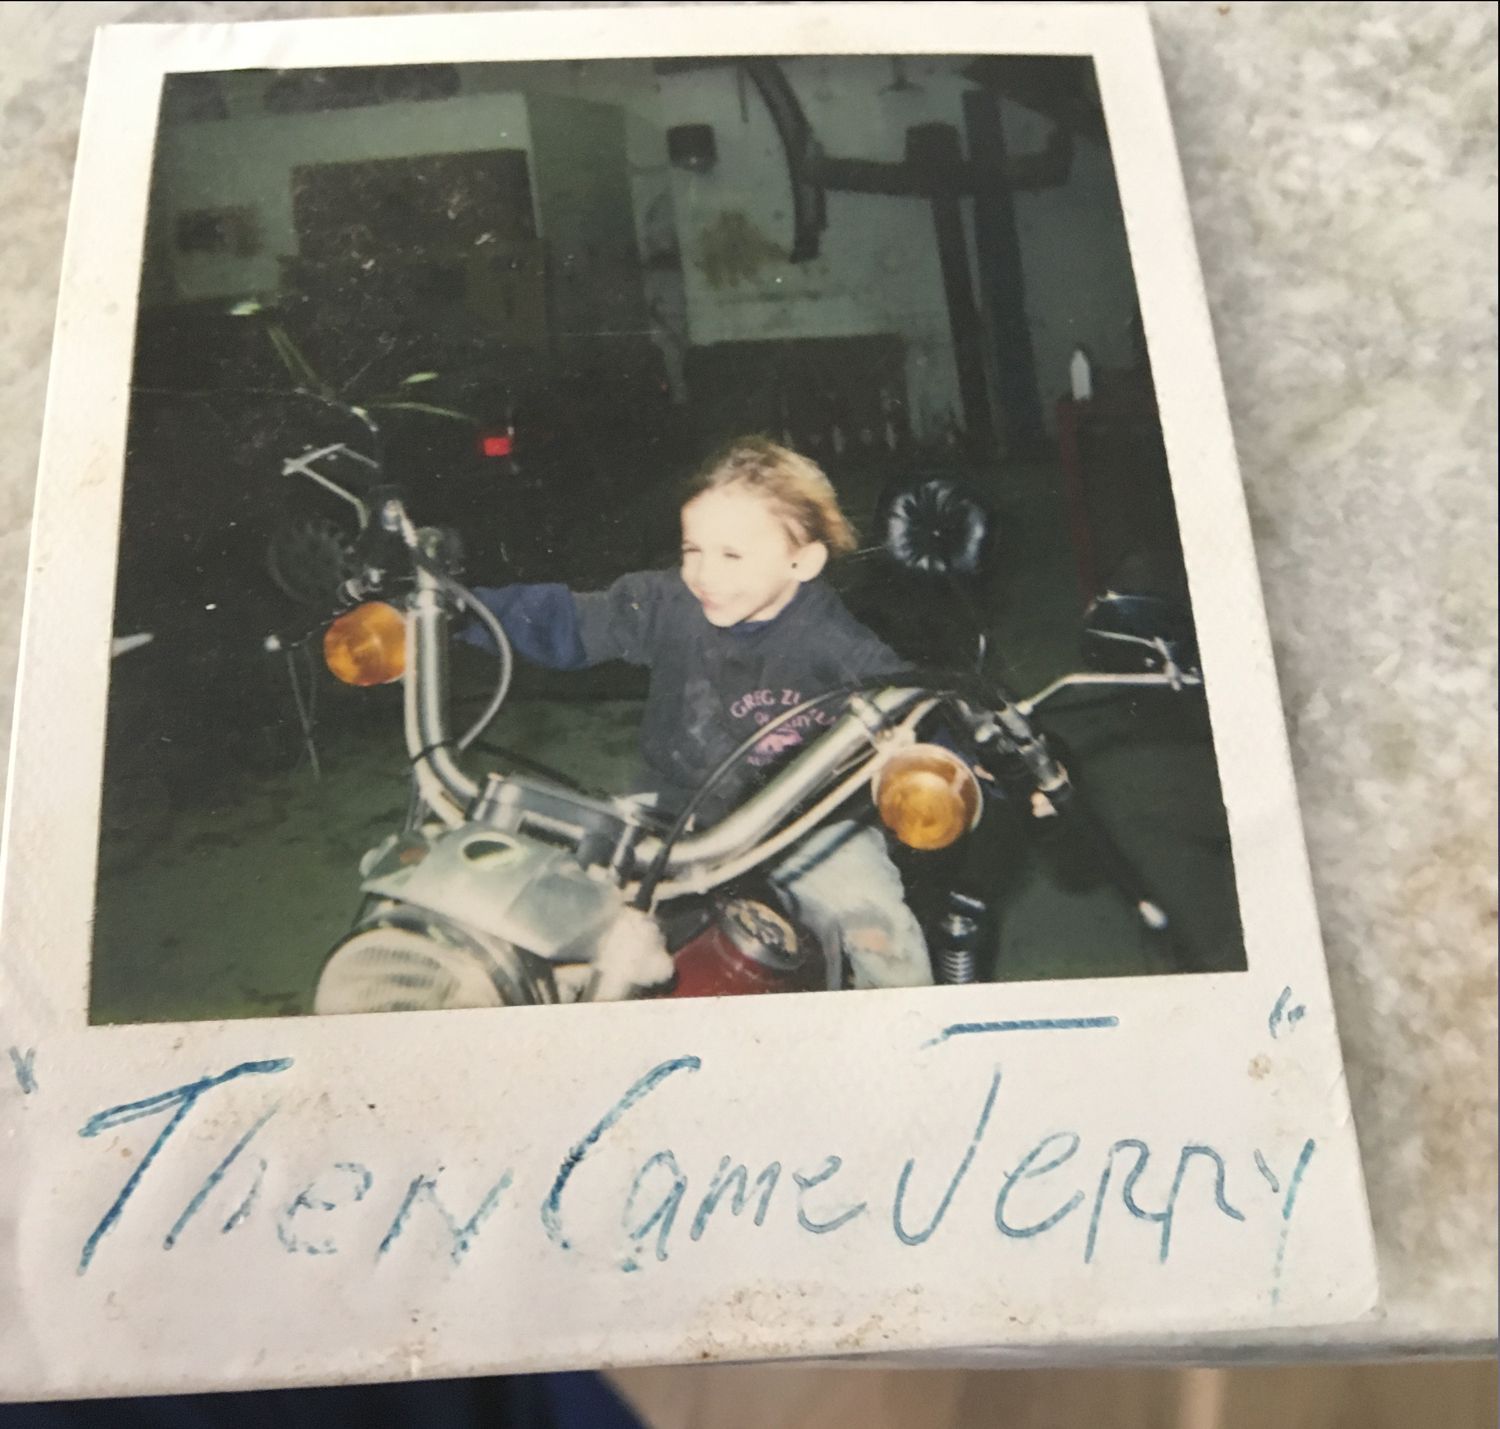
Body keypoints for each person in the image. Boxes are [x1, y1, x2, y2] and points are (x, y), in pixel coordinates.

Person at [461, 435, 932, 991]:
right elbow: (567, 620)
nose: (705, 574)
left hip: (806, 827)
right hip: (672, 811)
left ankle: (914, 1048)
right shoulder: (668, 605)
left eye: (732, 555)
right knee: (553, 916)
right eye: (693, 550)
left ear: (802, 560)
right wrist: (456, 609)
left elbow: (919, 709)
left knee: (878, 926)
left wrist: (969, 760)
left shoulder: (838, 645)